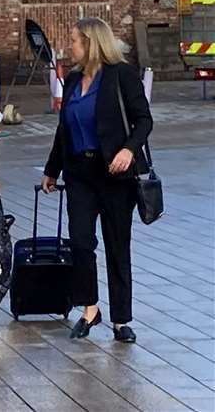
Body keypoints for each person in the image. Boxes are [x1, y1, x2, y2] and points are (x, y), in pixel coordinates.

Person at [42, 17, 152, 344]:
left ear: (90, 43)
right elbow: (64, 130)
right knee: (80, 242)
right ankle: (90, 308)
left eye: (73, 41)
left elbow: (144, 120)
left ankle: (121, 320)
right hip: (80, 174)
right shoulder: (74, 80)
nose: (68, 47)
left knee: (117, 246)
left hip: (115, 174)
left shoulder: (121, 75)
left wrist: (129, 150)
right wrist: (52, 169)